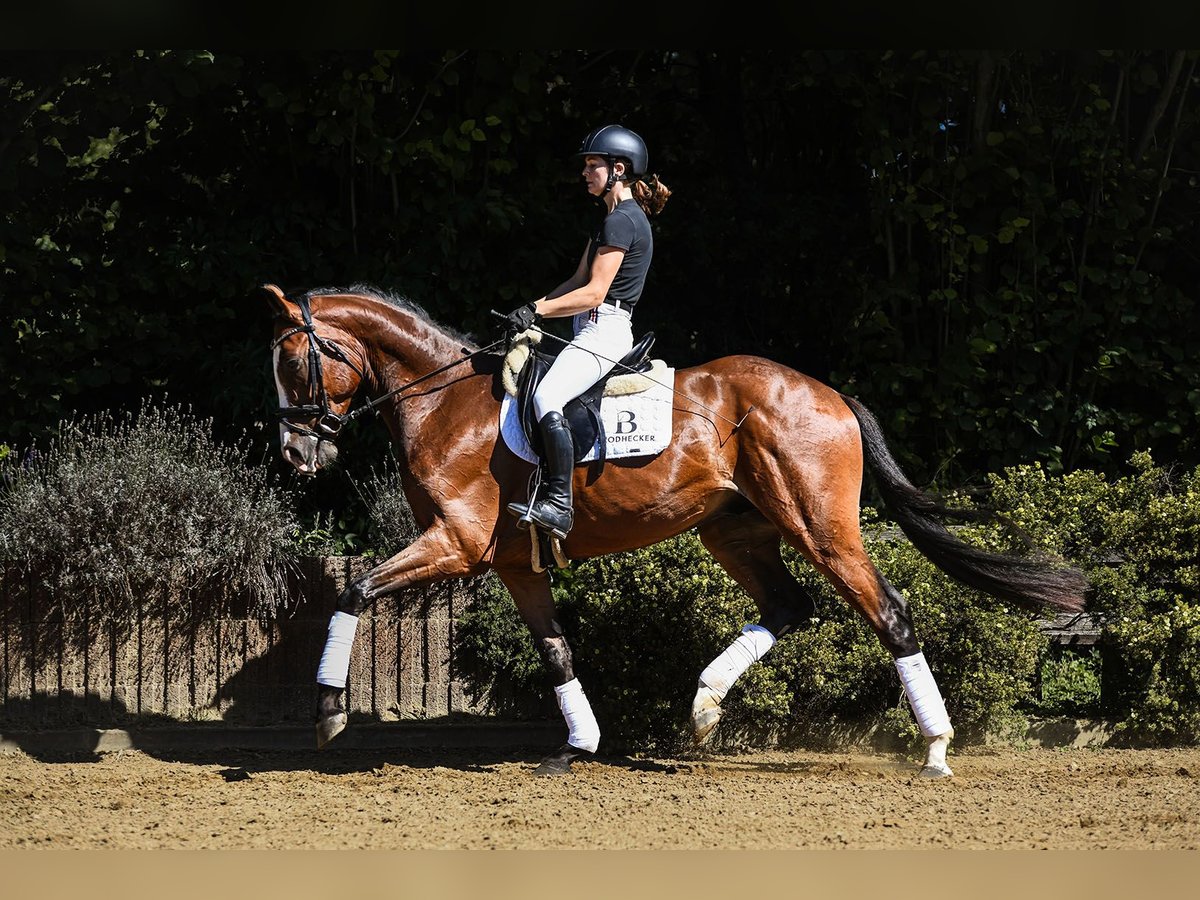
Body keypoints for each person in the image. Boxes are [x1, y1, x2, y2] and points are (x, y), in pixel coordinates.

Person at [505, 124, 671, 539]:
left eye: (592, 165)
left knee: (546, 396)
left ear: (618, 168)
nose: (585, 172)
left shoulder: (623, 222)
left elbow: (595, 293)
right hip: (589, 329)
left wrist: (538, 309)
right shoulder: (609, 220)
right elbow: (578, 279)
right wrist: (531, 310)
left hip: (605, 331)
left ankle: (559, 504)